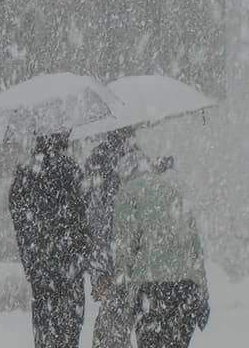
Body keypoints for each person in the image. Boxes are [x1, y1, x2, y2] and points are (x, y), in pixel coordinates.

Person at [112, 157, 209, 348]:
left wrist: (121, 295)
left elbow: (125, 249)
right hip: (185, 289)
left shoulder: (127, 194)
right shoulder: (174, 192)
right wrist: (203, 294)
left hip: (151, 290)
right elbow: (195, 247)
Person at [9, 132, 91, 348]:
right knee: (69, 331)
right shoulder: (72, 171)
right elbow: (85, 219)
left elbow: (20, 222)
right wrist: (82, 255)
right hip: (70, 267)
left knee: (45, 329)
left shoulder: (26, 174)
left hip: (42, 268)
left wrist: (30, 260)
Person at [84, 129, 136, 348]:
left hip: (111, 259)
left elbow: (91, 219)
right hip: (121, 260)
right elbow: (96, 218)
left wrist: (97, 271)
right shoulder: (128, 162)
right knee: (115, 328)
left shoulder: (97, 162)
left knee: (111, 328)